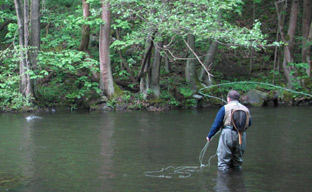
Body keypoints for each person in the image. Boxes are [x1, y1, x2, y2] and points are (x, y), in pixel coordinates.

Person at [206, 90, 251, 171]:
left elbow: (217, 124)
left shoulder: (225, 108)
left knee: (223, 162)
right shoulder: (246, 109)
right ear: (238, 99)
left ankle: (224, 181)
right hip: (242, 135)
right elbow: (249, 123)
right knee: (237, 162)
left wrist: (210, 136)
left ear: (229, 99)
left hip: (227, 134)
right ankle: (237, 180)